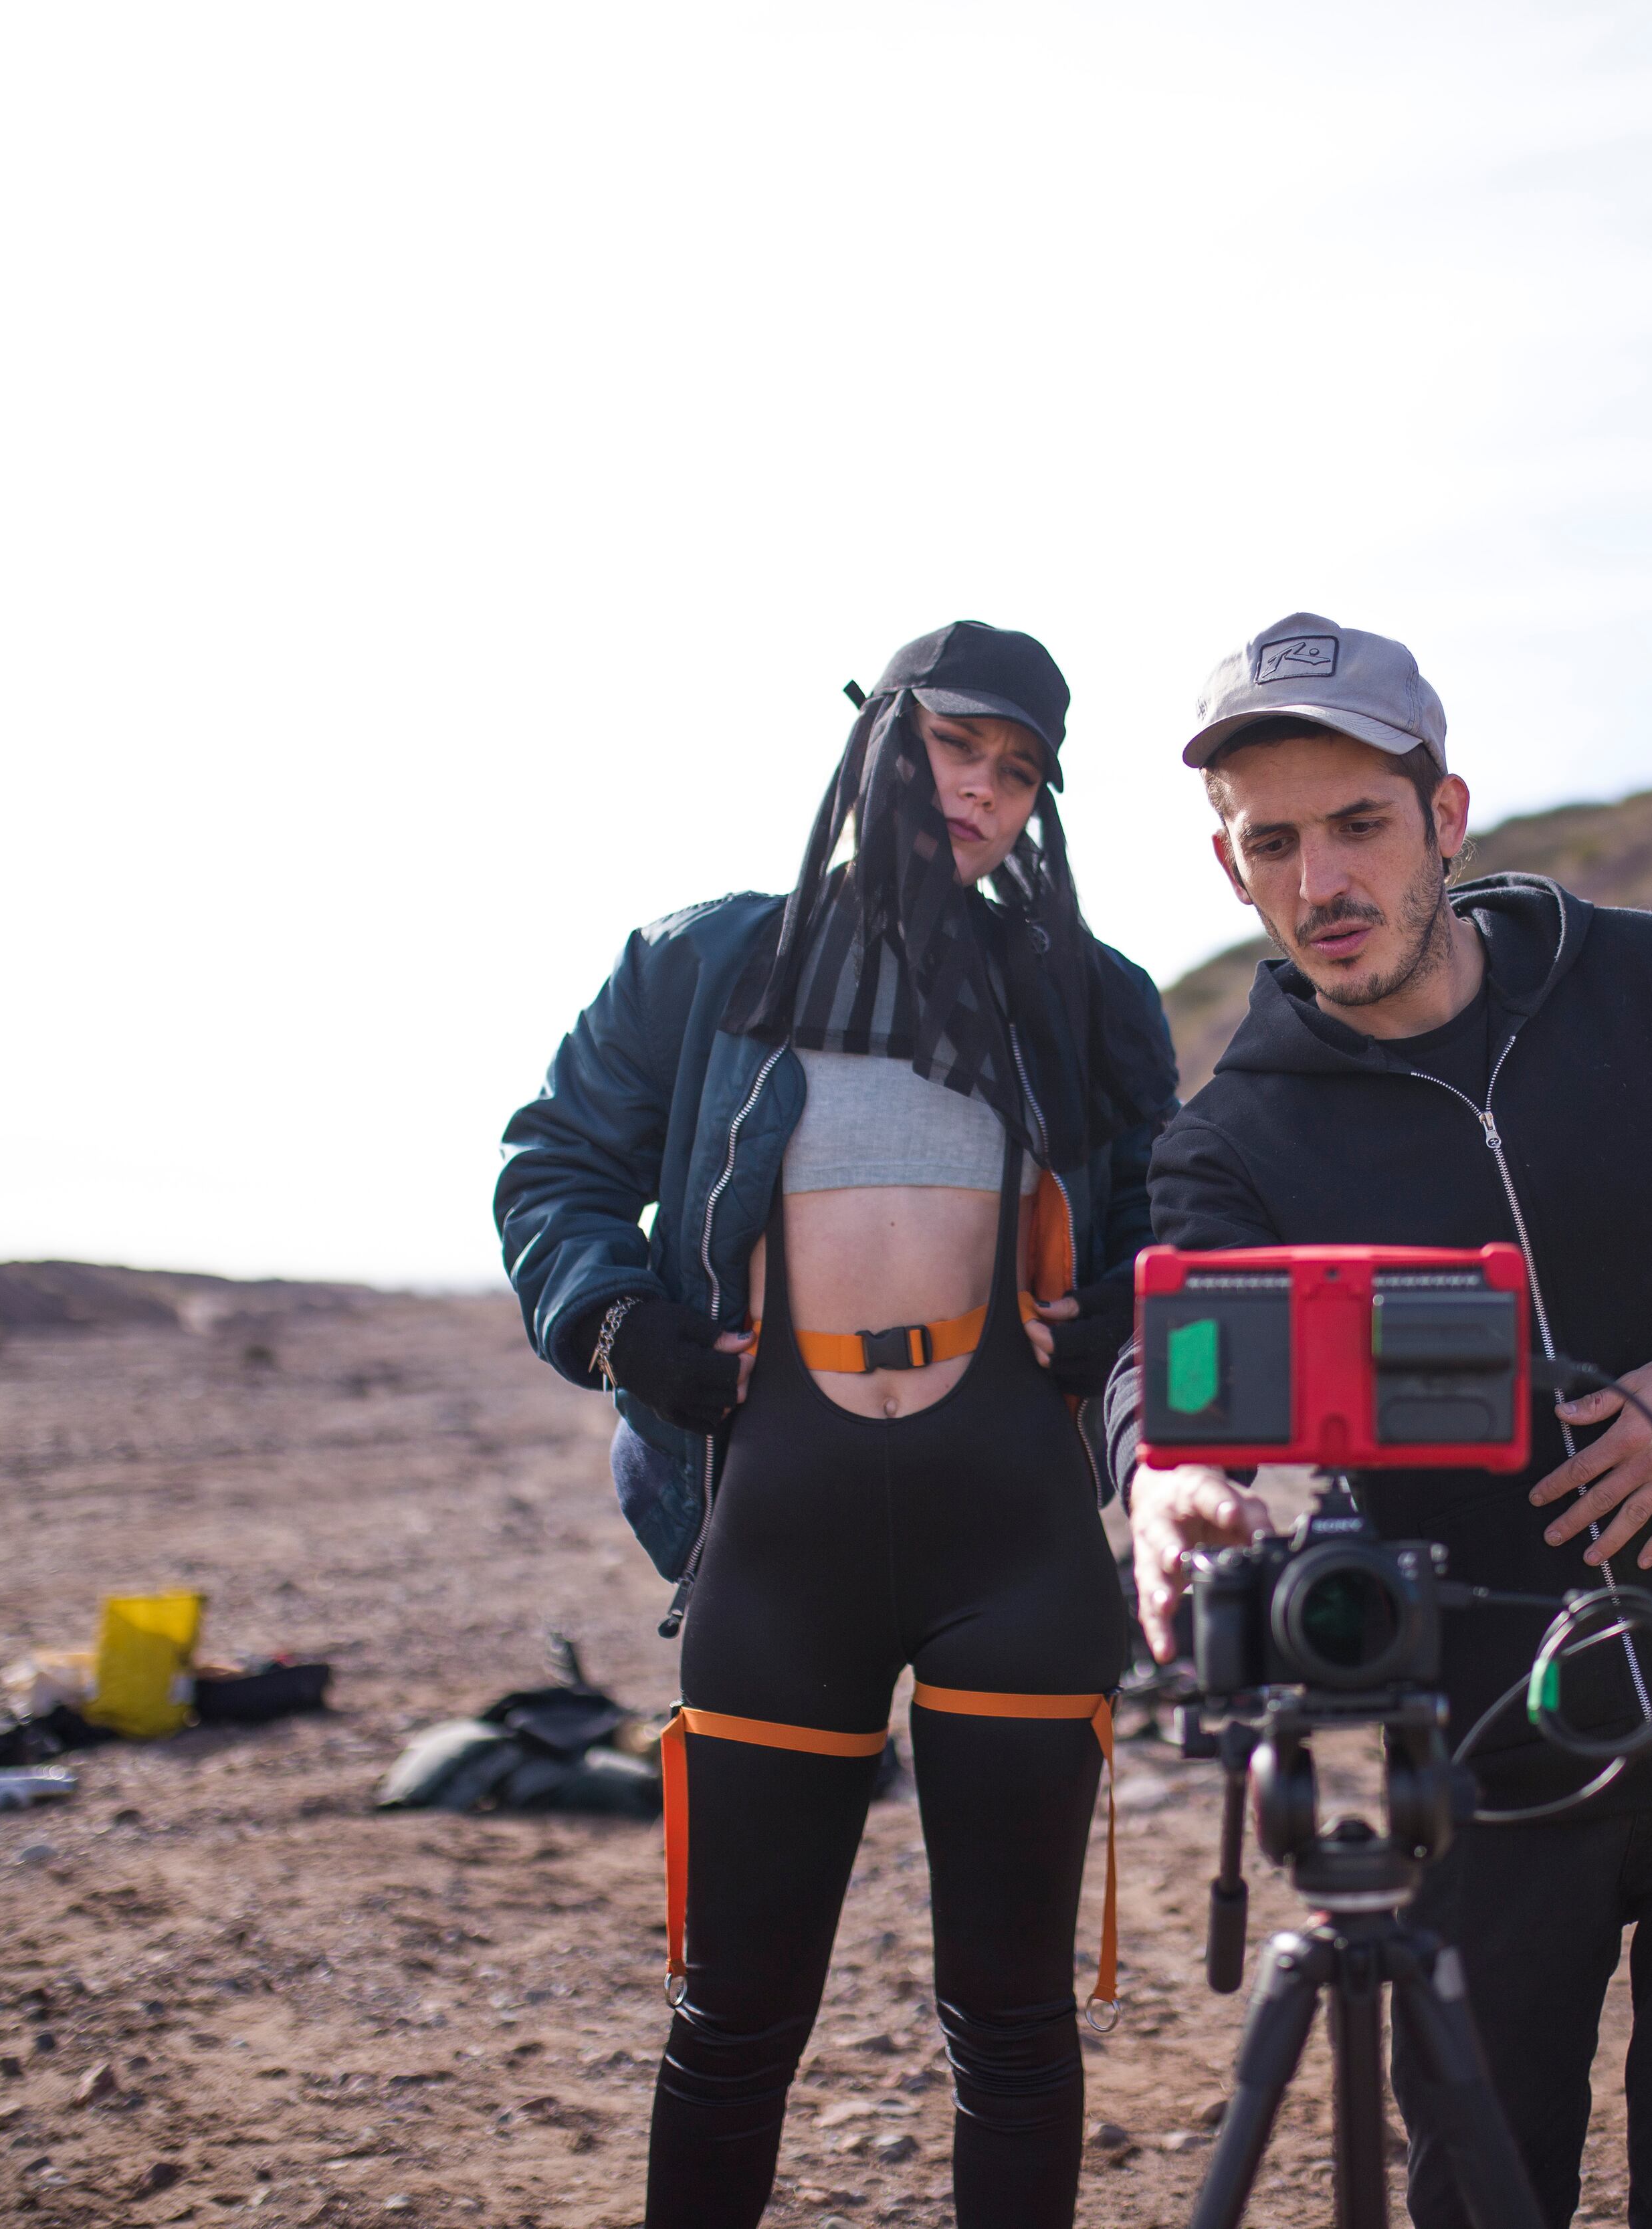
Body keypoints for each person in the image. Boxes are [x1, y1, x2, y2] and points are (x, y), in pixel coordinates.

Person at [1112, 615, 1652, 2229]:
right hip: (1480, 1748)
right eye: (1271, 843)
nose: (1321, 881)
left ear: (1446, 815)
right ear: (1232, 873)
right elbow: (1175, 1360)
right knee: (1490, 2198)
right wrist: (1164, 1485)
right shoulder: (1235, 1136)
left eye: (1358, 823)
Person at [497, 622, 1178, 2229]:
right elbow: (553, 1162)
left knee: (1012, 2021)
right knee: (732, 2019)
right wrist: (614, 1322)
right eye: (958, 747)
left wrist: (1125, 1305)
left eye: (1017, 771)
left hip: (1012, 1522)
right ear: (879, 742)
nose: (985, 790)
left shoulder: (1082, 993)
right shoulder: (707, 963)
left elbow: (1171, 1215)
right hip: (776, 1523)